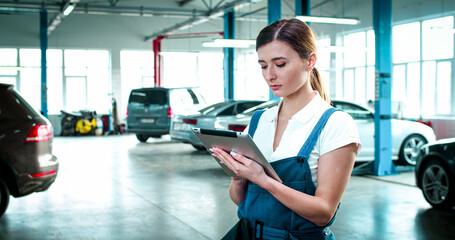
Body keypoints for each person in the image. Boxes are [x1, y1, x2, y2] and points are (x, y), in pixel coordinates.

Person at [210, 19, 361, 240]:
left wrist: (263, 179)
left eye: (280, 64)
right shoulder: (260, 120)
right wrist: (238, 178)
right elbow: (240, 200)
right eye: (263, 65)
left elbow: (323, 213)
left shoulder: (335, 123)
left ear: (310, 61)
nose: (269, 75)